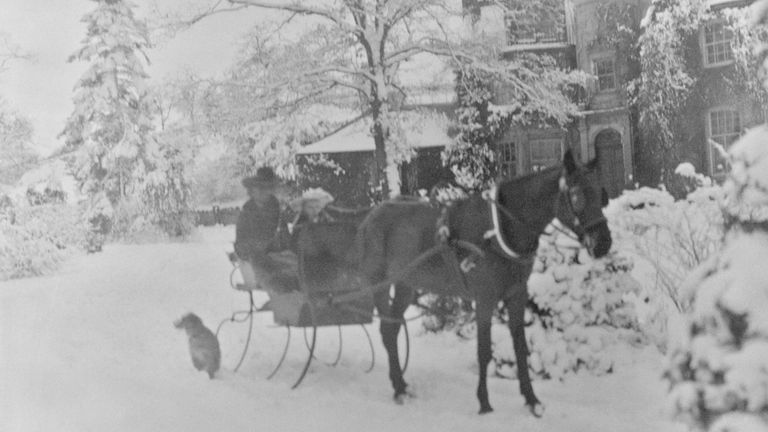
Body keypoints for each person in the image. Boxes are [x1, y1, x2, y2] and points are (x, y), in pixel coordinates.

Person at [233, 167, 298, 293]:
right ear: (252, 191)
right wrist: (260, 249)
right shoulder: (247, 213)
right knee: (280, 283)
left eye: (268, 188)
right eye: (260, 188)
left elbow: (286, 239)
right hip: (259, 262)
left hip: (282, 259)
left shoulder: (276, 210)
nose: (265, 192)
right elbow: (240, 246)